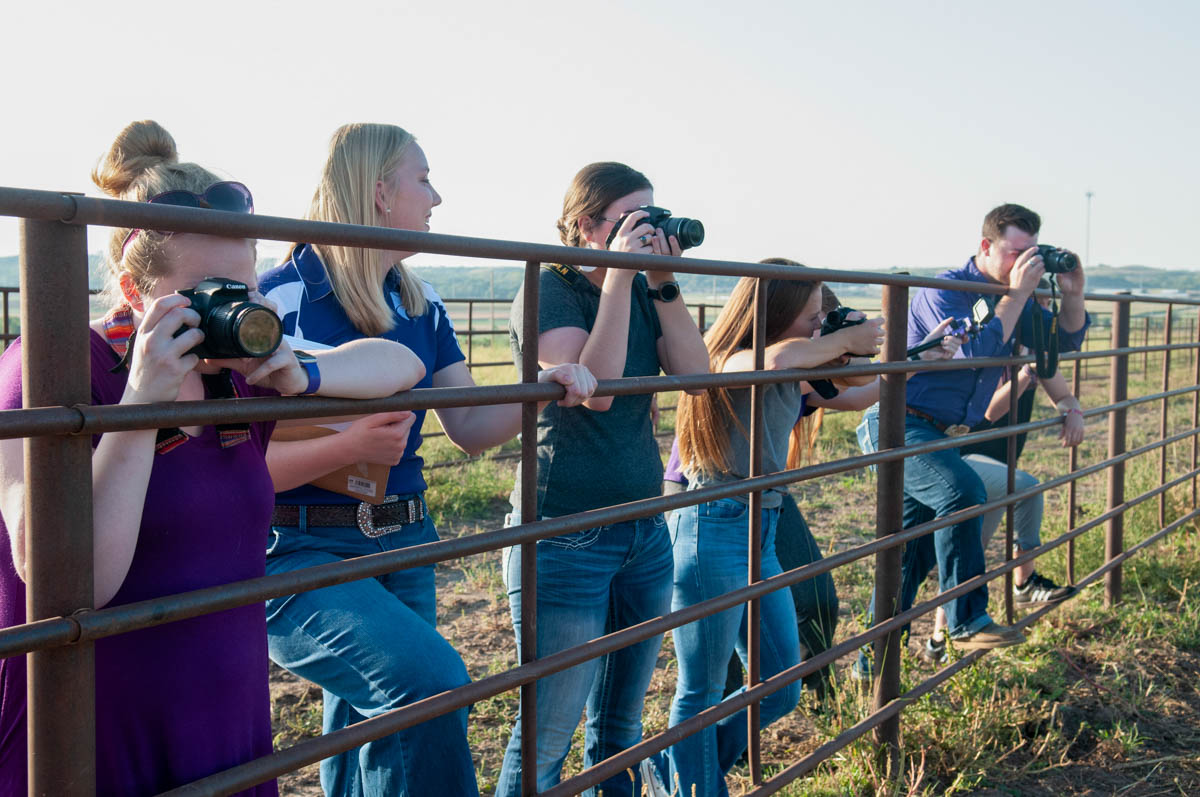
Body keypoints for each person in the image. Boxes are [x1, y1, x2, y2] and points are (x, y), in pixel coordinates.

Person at [0, 120, 425, 796]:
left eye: (245, 287)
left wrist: (301, 374)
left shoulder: (233, 373)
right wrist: (143, 403)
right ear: (135, 293)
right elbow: (73, 581)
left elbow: (403, 363)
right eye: (209, 294)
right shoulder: (58, 368)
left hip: (227, 725)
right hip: (99, 729)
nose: (236, 311)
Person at [257, 123, 595, 797]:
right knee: (425, 688)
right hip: (304, 536)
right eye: (423, 179)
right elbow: (248, 446)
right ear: (379, 192)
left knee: (375, 724)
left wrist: (541, 386)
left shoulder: (418, 299)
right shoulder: (280, 297)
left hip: (403, 536)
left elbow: (469, 426)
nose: (436, 196)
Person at [497, 161, 711, 796]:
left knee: (620, 723)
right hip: (566, 532)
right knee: (547, 734)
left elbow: (695, 376)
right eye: (630, 220)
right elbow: (597, 388)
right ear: (586, 225)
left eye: (653, 216)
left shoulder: (643, 288)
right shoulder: (551, 288)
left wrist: (662, 281)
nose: (646, 232)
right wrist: (620, 280)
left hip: (643, 526)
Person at [660, 270, 885, 797]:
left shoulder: (796, 361)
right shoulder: (729, 359)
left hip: (760, 530)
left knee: (782, 687)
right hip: (712, 526)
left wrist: (889, 355)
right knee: (702, 690)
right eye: (810, 315)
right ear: (776, 316)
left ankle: (687, 767)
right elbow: (777, 360)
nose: (816, 324)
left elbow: (854, 389)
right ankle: (695, 784)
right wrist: (840, 341)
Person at [855, 203, 1089, 673]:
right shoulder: (948, 290)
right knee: (964, 492)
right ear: (986, 246)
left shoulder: (1014, 296)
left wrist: (1074, 292)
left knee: (910, 558)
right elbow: (975, 351)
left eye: (1032, 253)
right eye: (1014, 252)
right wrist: (1019, 292)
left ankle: (867, 669)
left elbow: (1061, 343)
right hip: (901, 423)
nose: (1024, 263)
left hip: (940, 434)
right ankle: (965, 621)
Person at [921, 281, 1085, 662]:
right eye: (1036, 304)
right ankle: (1024, 583)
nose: (1043, 313)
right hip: (966, 456)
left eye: (1047, 305)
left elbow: (1064, 394)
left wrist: (1072, 410)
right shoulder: (990, 347)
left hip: (997, 463)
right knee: (1025, 489)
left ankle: (936, 641)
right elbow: (988, 413)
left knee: (970, 551)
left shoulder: (1033, 353)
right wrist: (1025, 374)